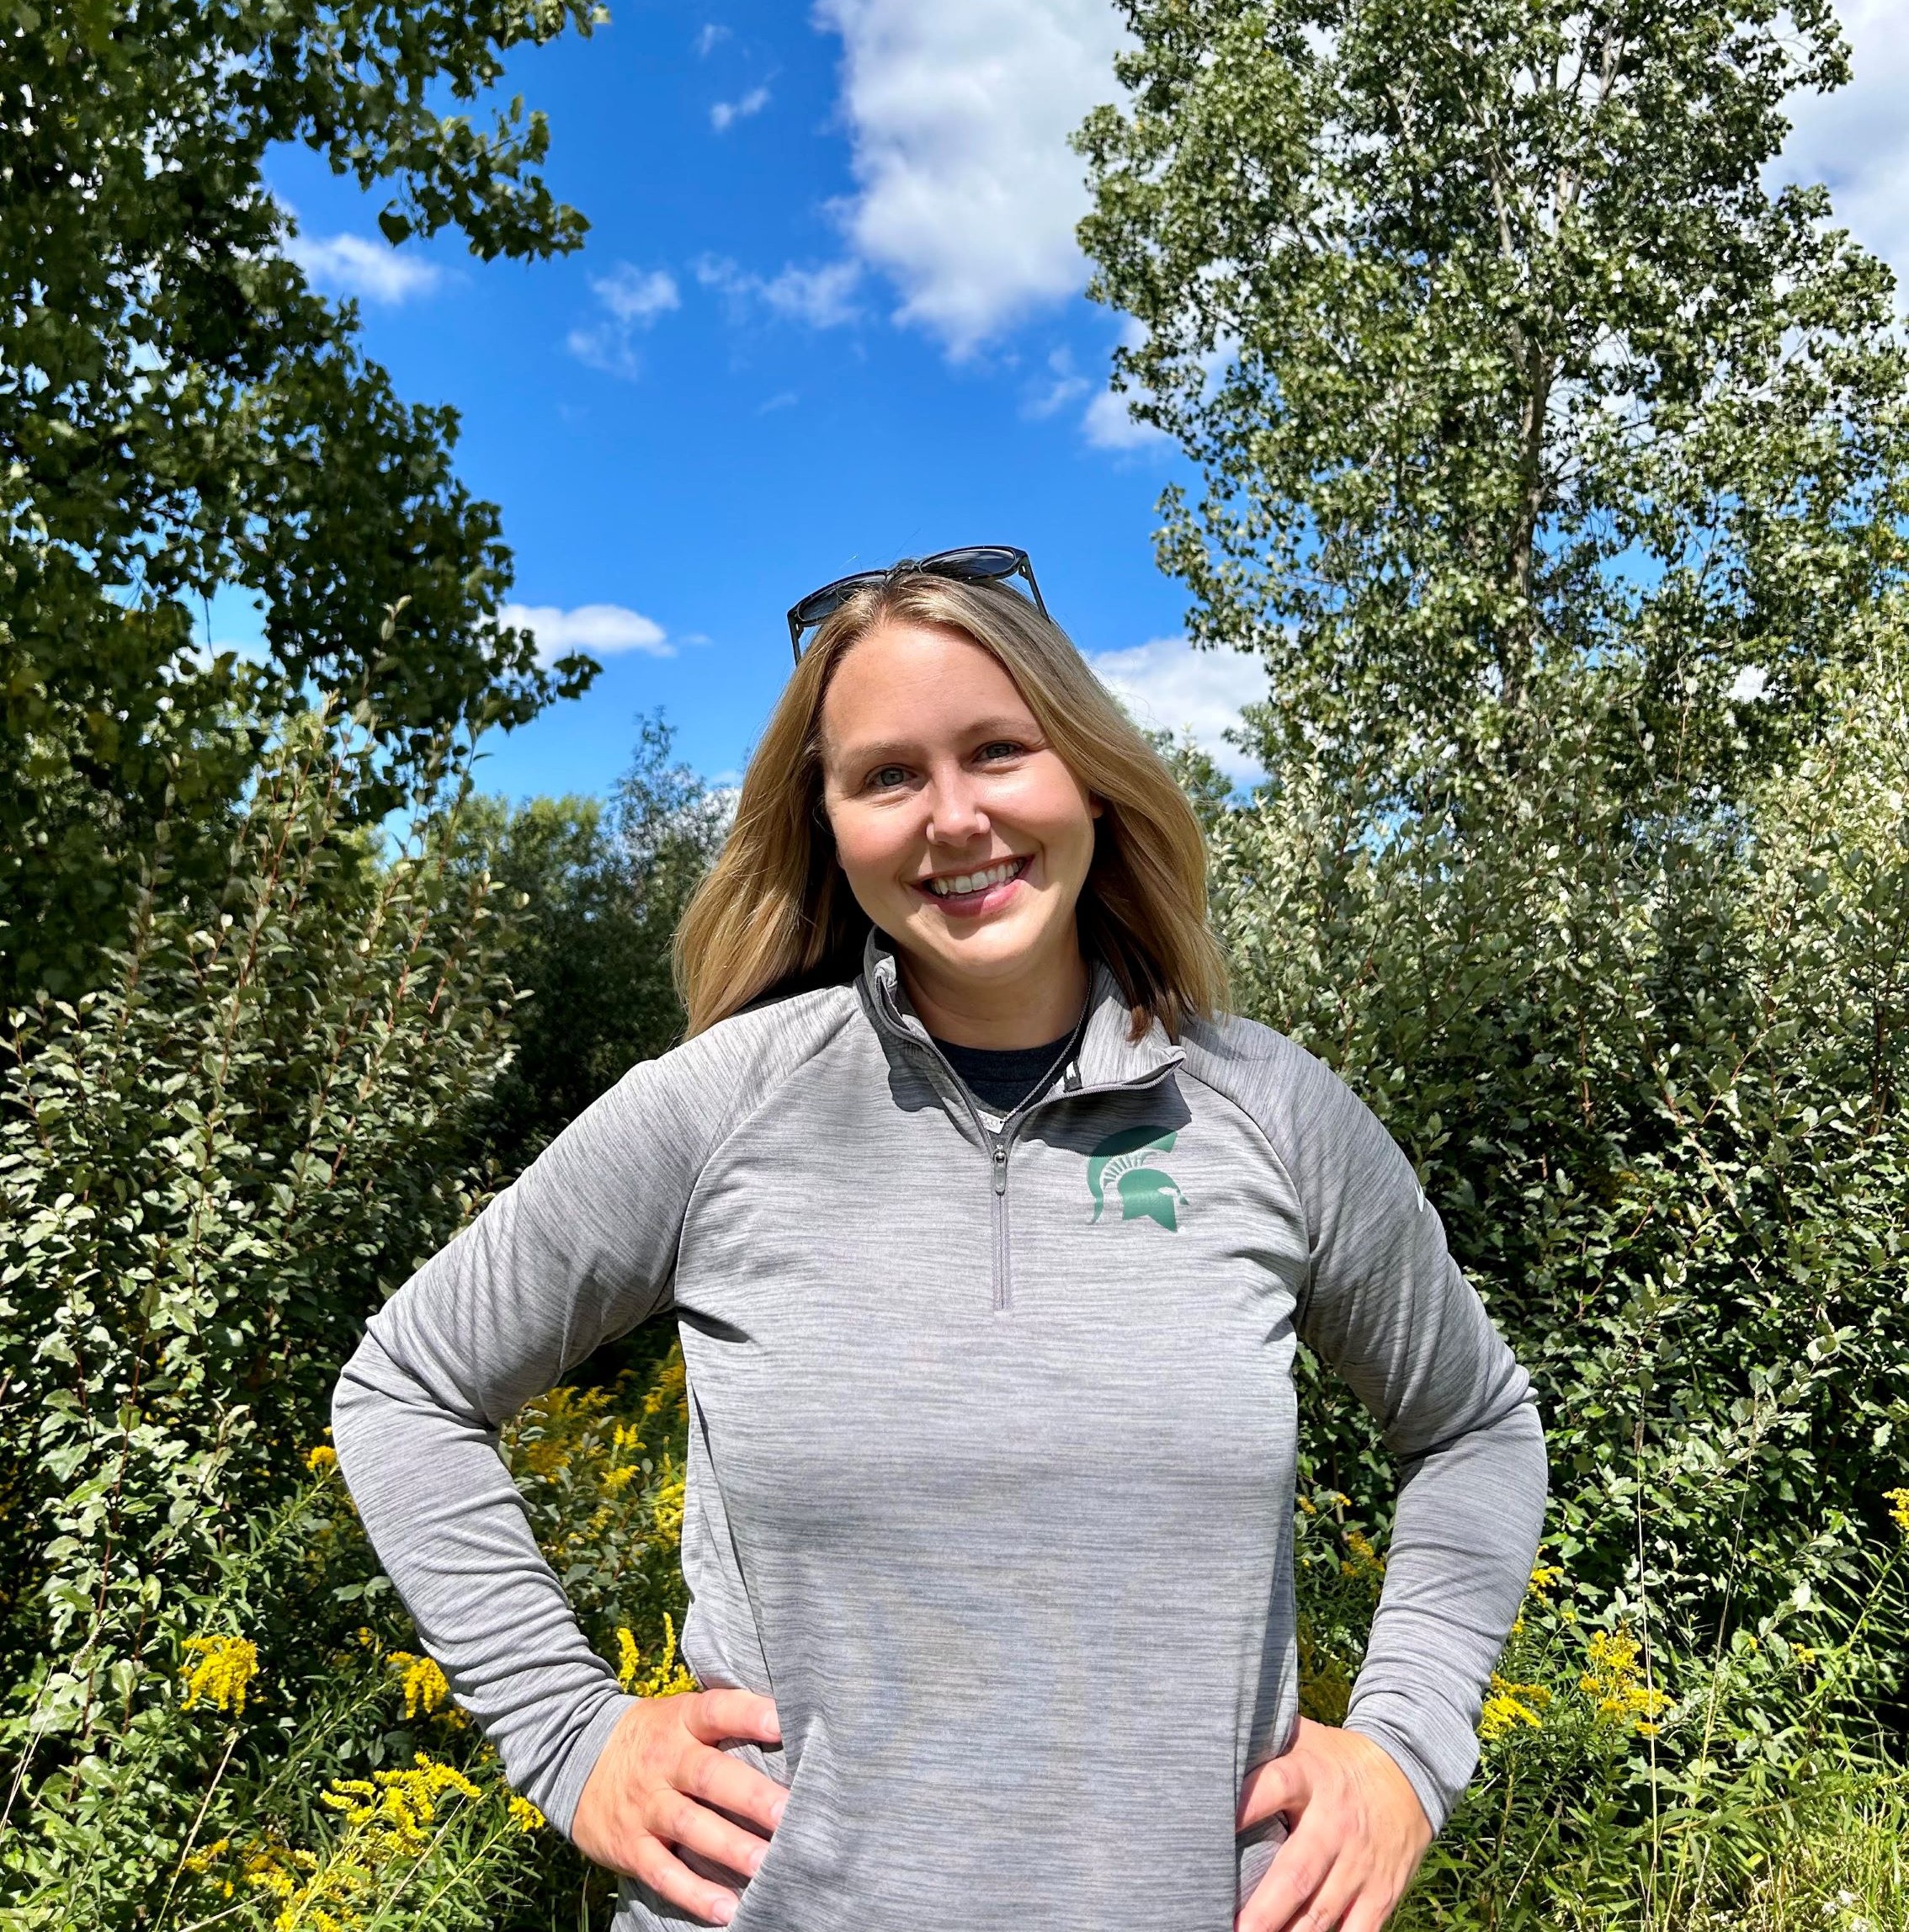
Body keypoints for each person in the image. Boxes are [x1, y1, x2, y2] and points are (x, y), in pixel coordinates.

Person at [330, 546, 1548, 1932]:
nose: (955, 818)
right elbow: (405, 1389)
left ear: (1086, 772)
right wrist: (571, 1734)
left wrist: (1404, 1754)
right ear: (831, 824)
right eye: (889, 776)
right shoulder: (717, 1109)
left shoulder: (1270, 1112)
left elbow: (1477, 1430)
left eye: (998, 751)